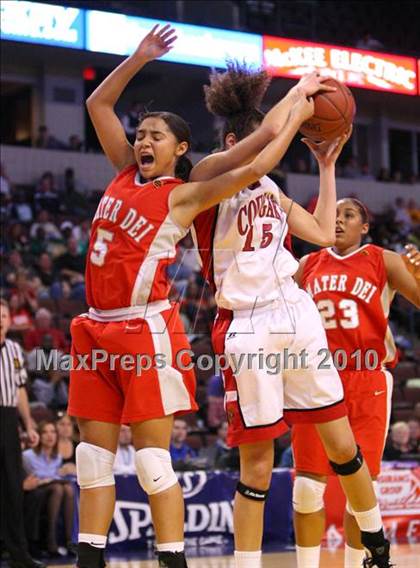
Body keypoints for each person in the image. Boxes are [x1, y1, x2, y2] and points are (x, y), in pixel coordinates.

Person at [67, 25, 315, 568]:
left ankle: (173, 560)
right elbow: (96, 101)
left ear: (180, 149)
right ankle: (89, 560)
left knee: (154, 461)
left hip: (145, 329)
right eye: (140, 134)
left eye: (155, 135)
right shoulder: (123, 173)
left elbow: (252, 160)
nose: (142, 141)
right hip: (94, 327)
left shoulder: (183, 196)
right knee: (90, 460)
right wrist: (138, 56)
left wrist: (295, 108)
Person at [191, 62, 393, 568]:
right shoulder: (206, 176)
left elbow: (324, 233)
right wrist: (299, 95)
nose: (273, 141)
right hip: (247, 321)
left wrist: (325, 168)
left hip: (295, 312)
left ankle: (377, 540)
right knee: (257, 462)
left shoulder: (272, 193)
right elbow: (261, 151)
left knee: (341, 439)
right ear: (235, 139)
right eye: (264, 134)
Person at [292, 197, 420, 567]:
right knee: (306, 489)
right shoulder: (307, 265)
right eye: (332, 214)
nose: (337, 220)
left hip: (367, 378)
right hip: (316, 377)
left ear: (364, 227)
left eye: (348, 215)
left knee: (359, 489)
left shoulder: (383, 260)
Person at [0, 299, 44, 568]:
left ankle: (19, 553)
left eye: (4, 314)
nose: (1, 319)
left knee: (12, 488)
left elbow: (20, 390)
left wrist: (28, 425)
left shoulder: (15, 349)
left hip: (7, 420)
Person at [22, 421, 75, 556]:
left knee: (68, 488)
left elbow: (56, 475)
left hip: (53, 492)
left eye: (52, 432)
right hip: (35, 493)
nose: (49, 436)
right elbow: (28, 481)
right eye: (45, 432)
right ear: (38, 436)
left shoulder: (57, 457)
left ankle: (70, 541)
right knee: (58, 488)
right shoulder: (27, 456)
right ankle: (50, 541)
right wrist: (45, 480)